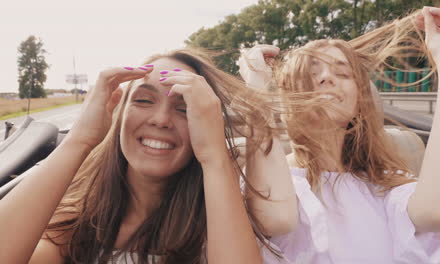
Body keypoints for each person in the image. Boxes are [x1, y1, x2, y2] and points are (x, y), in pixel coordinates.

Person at [0, 48, 286, 263]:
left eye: (184, 107)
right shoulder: (78, 217)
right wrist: (80, 140)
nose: (161, 119)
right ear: (120, 114)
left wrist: (213, 156)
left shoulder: (221, 219)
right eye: (143, 100)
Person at [240, 6, 440, 263]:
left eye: (342, 73)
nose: (326, 78)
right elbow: (276, 218)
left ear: (359, 102)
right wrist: (256, 89)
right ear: (285, 101)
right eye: (311, 73)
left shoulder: (386, 188)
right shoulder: (268, 176)